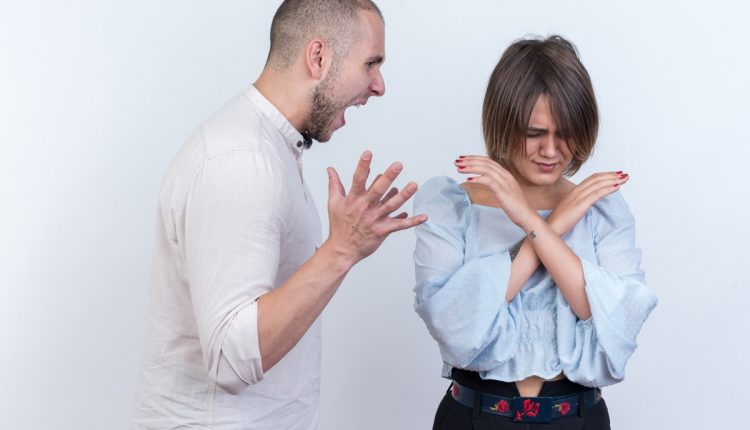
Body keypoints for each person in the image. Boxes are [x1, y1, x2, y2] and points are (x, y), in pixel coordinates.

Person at [133, 1, 426, 428]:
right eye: (370, 64)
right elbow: (232, 360)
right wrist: (342, 250)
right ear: (318, 57)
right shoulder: (240, 162)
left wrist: (341, 248)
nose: (379, 86)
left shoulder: (267, 147)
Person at [412, 35, 657, 429]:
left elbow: (613, 323)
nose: (551, 150)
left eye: (565, 133)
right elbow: (457, 330)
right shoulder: (450, 207)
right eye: (534, 133)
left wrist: (533, 223)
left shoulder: (602, 207)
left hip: (577, 418)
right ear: (503, 121)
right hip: (474, 417)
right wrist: (548, 224)